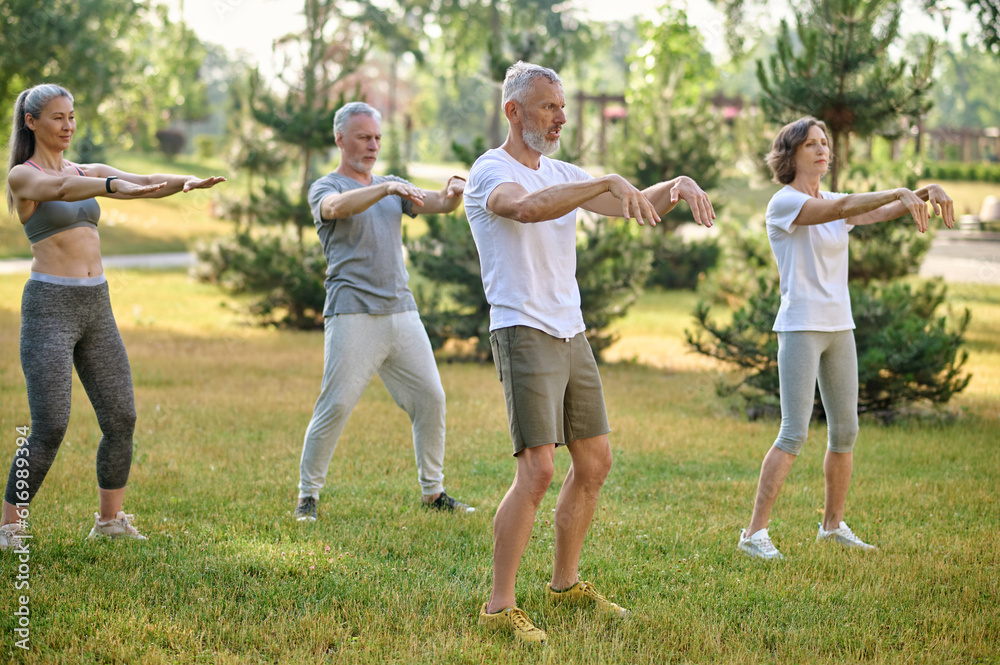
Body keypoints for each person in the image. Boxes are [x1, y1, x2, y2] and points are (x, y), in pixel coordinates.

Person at [464, 62, 716, 643]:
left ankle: (565, 585)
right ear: (514, 111)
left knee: (595, 461)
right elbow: (524, 208)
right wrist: (603, 180)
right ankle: (499, 607)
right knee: (538, 469)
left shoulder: (562, 171)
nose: (560, 117)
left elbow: (627, 202)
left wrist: (673, 187)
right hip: (522, 327)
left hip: (570, 330)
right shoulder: (490, 171)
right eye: (549, 106)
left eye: (562, 106)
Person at [0, 84, 226, 552]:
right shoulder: (24, 177)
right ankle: (10, 526)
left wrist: (184, 181)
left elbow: (143, 179)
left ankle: (110, 520)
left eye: (72, 116)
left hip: (95, 307)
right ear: (31, 122)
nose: (68, 126)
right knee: (50, 424)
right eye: (58, 118)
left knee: (122, 416)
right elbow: (61, 188)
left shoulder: (86, 168)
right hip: (49, 308)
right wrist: (111, 186)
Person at [737, 116, 954, 561]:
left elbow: (874, 210)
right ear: (791, 154)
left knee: (846, 430)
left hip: (840, 327)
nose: (822, 151)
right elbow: (841, 210)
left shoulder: (835, 198)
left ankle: (831, 527)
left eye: (825, 144)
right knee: (794, 433)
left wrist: (924, 191)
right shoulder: (784, 203)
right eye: (812, 144)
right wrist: (898, 190)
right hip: (800, 326)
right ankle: (754, 534)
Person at [293, 102, 473, 522]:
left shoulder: (391, 184)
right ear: (341, 139)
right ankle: (308, 496)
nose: (372, 145)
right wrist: (387, 189)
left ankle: (434, 492)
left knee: (431, 398)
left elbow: (438, 205)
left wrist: (451, 193)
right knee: (335, 406)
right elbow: (338, 209)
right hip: (353, 313)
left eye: (377, 138)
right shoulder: (326, 186)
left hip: (401, 312)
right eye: (363, 137)